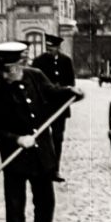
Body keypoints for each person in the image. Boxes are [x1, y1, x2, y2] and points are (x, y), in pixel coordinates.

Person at [0, 42, 84, 222]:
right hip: (15, 157)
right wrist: (17, 139)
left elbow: (53, 93)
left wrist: (71, 92)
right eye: (5, 71)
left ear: (21, 63)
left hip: (41, 154)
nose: (9, 75)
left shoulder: (36, 76)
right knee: (15, 207)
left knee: (45, 203)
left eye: (13, 69)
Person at [31, 34, 75, 182]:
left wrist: (67, 94)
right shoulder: (39, 62)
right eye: (47, 48)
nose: (49, 51)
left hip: (60, 107)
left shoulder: (66, 61)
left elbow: (71, 84)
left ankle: (55, 170)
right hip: (44, 106)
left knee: (58, 138)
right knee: (43, 138)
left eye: (52, 48)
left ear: (58, 48)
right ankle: (44, 168)